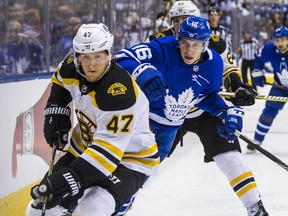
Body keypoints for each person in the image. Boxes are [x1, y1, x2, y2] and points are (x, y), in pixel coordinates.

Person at [115, 15, 268, 216]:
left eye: (196, 45)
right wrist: (142, 71)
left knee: (229, 153)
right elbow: (119, 58)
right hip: (146, 123)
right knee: (126, 175)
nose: (189, 50)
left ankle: (254, 206)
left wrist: (226, 111)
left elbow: (206, 95)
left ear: (205, 44)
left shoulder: (213, 62)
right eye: (185, 43)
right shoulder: (161, 46)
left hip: (174, 125)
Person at [25, 23, 160, 216]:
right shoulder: (71, 67)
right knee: (38, 209)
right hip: (84, 148)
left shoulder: (118, 91)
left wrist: (69, 179)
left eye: (98, 56)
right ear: (78, 56)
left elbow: (107, 151)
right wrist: (57, 107)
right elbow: (60, 81)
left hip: (128, 159)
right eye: (85, 57)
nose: (92, 64)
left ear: (109, 54)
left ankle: (121, 200)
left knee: (92, 209)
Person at [248, 26, 288, 154]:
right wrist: (258, 73)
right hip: (280, 87)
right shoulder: (269, 49)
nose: (280, 43)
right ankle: (257, 141)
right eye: (277, 40)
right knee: (267, 114)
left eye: (282, 40)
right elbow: (258, 57)